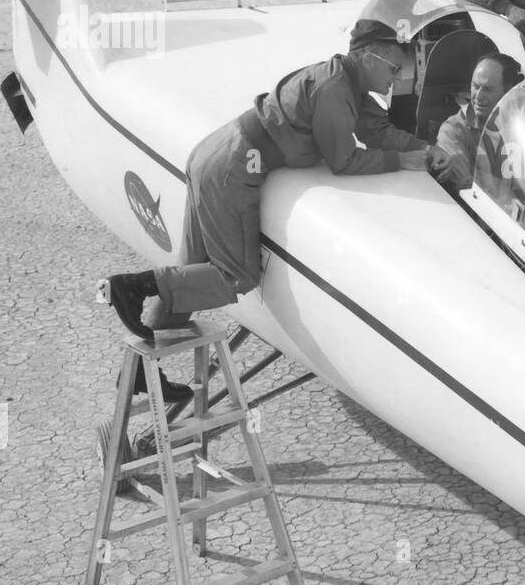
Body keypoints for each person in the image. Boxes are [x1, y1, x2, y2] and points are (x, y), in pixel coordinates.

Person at [103, 18, 450, 346]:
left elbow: (376, 130)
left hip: (215, 152)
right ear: (366, 57)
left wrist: (425, 148)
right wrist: (401, 161)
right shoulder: (334, 89)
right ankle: (132, 286)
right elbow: (343, 161)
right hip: (233, 167)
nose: (398, 77)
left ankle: (142, 371)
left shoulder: (346, 81)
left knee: (187, 281)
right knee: (236, 276)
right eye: (393, 68)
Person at [434, 53, 524, 190]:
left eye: (488, 89)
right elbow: (466, 185)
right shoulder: (453, 130)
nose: (478, 96)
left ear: (508, 92)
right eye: (476, 86)